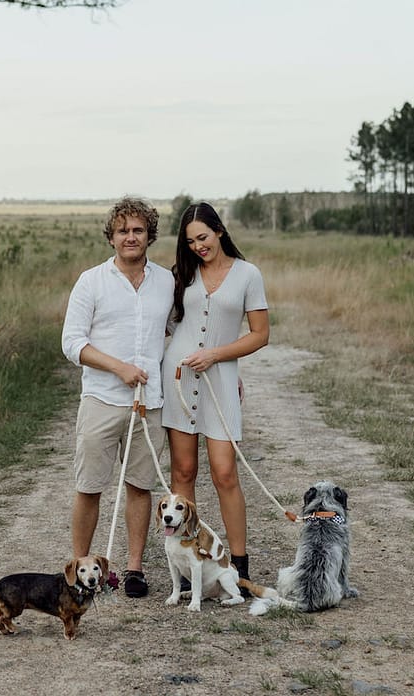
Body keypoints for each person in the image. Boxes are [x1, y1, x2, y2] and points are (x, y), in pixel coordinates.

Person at [61, 196, 174, 598]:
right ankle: (79, 572)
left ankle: (133, 570)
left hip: (149, 402)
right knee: (90, 486)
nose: (131, 236)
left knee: (140, 485)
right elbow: (72, 343)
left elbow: (175, 332)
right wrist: (119, 367)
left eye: (138, 230)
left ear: (149, 236)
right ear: (111, 237)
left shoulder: (166, 282)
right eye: (123, 230)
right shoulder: (91, 281)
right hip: (102, 399)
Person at [161, 201, 269, 592]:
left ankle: (238, 566)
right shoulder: (181, 275)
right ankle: (190, 562)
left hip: (218, 378)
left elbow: (260, 334)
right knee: (183, 473)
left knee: (225, 473)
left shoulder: (247, 275)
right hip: (178, 381)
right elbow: (168, 327)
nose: (198, 246)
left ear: (219, 231)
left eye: (203, 237)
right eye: (190, 241)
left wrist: (218, 357)